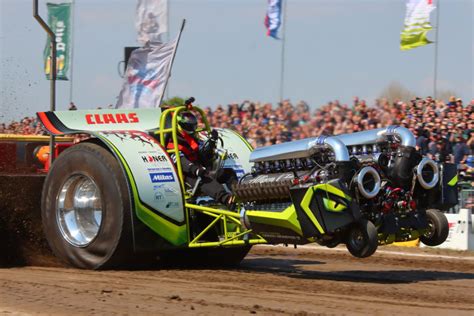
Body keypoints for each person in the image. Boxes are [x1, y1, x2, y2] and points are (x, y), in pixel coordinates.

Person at [166, 111, 236, 208]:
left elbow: (204, 156)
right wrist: (196, 170)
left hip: (201, 169)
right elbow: (181, 162)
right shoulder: (172, 144)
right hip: (188, 176)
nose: (193, 129)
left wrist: (212, 142)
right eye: (189, 126)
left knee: (228, 173)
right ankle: (227, 199)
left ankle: (238, 194)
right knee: (205, 179)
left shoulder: (193, 139)